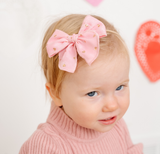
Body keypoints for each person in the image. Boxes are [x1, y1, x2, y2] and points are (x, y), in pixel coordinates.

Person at [19, 14, 143, 154]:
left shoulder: (118, 127)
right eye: (92, 93)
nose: (112, 105)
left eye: (119, 87)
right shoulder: (47, 146)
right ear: (55, 93)